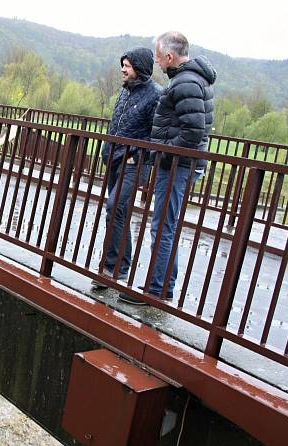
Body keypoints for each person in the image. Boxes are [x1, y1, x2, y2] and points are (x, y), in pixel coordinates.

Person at [119, 31, 217, 305]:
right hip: (180, 164)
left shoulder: (186, 82)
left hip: (176, 166)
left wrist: (161, 150)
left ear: (170, 56)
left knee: (162, 227)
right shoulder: (191, 80)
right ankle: (162, 286)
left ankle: (156, 290)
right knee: (166, 225)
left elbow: (193, 132)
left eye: (160, 57)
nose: (158, 63)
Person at [92, 47, 162, 290]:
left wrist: (138, 157)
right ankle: (116, 267)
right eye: (122, 64)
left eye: (128, 66)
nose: (123, 69)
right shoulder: (125, 91)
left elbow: (158, 135)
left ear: (140, 68)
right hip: (114, 158)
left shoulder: (155, 95)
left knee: (115, 206)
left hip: (134, 163)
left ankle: (114, 268)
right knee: (118, 212)